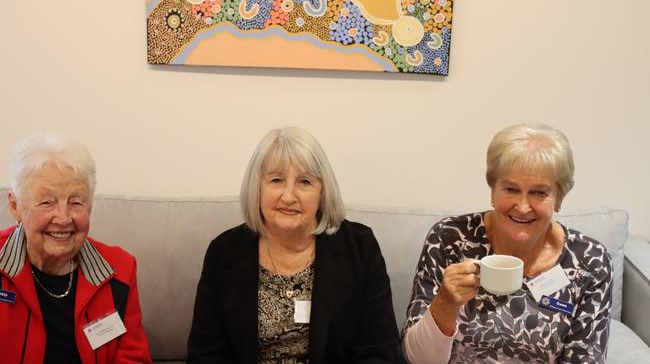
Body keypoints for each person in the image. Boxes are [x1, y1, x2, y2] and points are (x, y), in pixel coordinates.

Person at [402, 124, 612, 363]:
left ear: (559, 197)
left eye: (539, 193)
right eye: (511, 189)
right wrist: (446, 304)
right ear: (493, 190)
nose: (523, 207)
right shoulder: (450, 239)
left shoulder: (589, 261)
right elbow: (414, 359)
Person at [187, 126, 399, 363]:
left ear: (322, 193)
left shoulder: (360, 249)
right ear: (257, 188)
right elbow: (205, 356)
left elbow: (379, 352)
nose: (289, 196)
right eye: (276, 180)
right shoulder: (224, 252)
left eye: (305, 182)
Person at [0, 134, 152, 364]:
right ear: (15, 206)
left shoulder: (119, 271)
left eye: (76, 202)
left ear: (90, 207)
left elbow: (132, 358)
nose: (63, 218)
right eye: (46, 202)